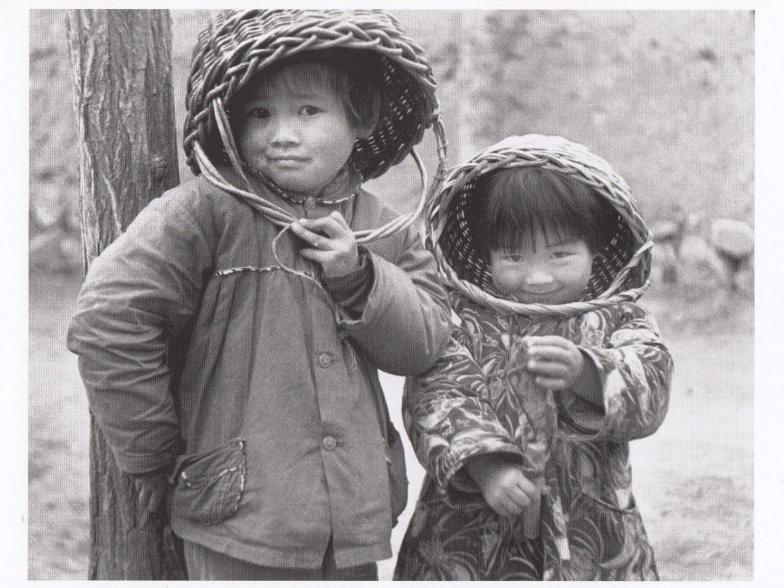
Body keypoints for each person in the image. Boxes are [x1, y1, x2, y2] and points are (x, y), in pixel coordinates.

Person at [67, 9, 451, 581]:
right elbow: (108, 319)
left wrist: (359, 275)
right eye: (260, 114)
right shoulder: (206, 211)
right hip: (238, 523)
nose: (281, 134)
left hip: (350, 526)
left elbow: (426, 339)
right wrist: (157, 458)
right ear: (231, 124)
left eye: (309, 110)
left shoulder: (382, 229)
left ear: (362, 119)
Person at [394, 135, 673, 580]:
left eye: (561, 255)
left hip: (592, 531)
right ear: (486, 255)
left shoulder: (620, 319)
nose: (537, 276)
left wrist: (588, 373)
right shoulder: (462, 320)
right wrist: (487, 467)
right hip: (472, 534)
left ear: (596, 249)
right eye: (513, 256)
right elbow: (437, 395)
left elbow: (652, 382)